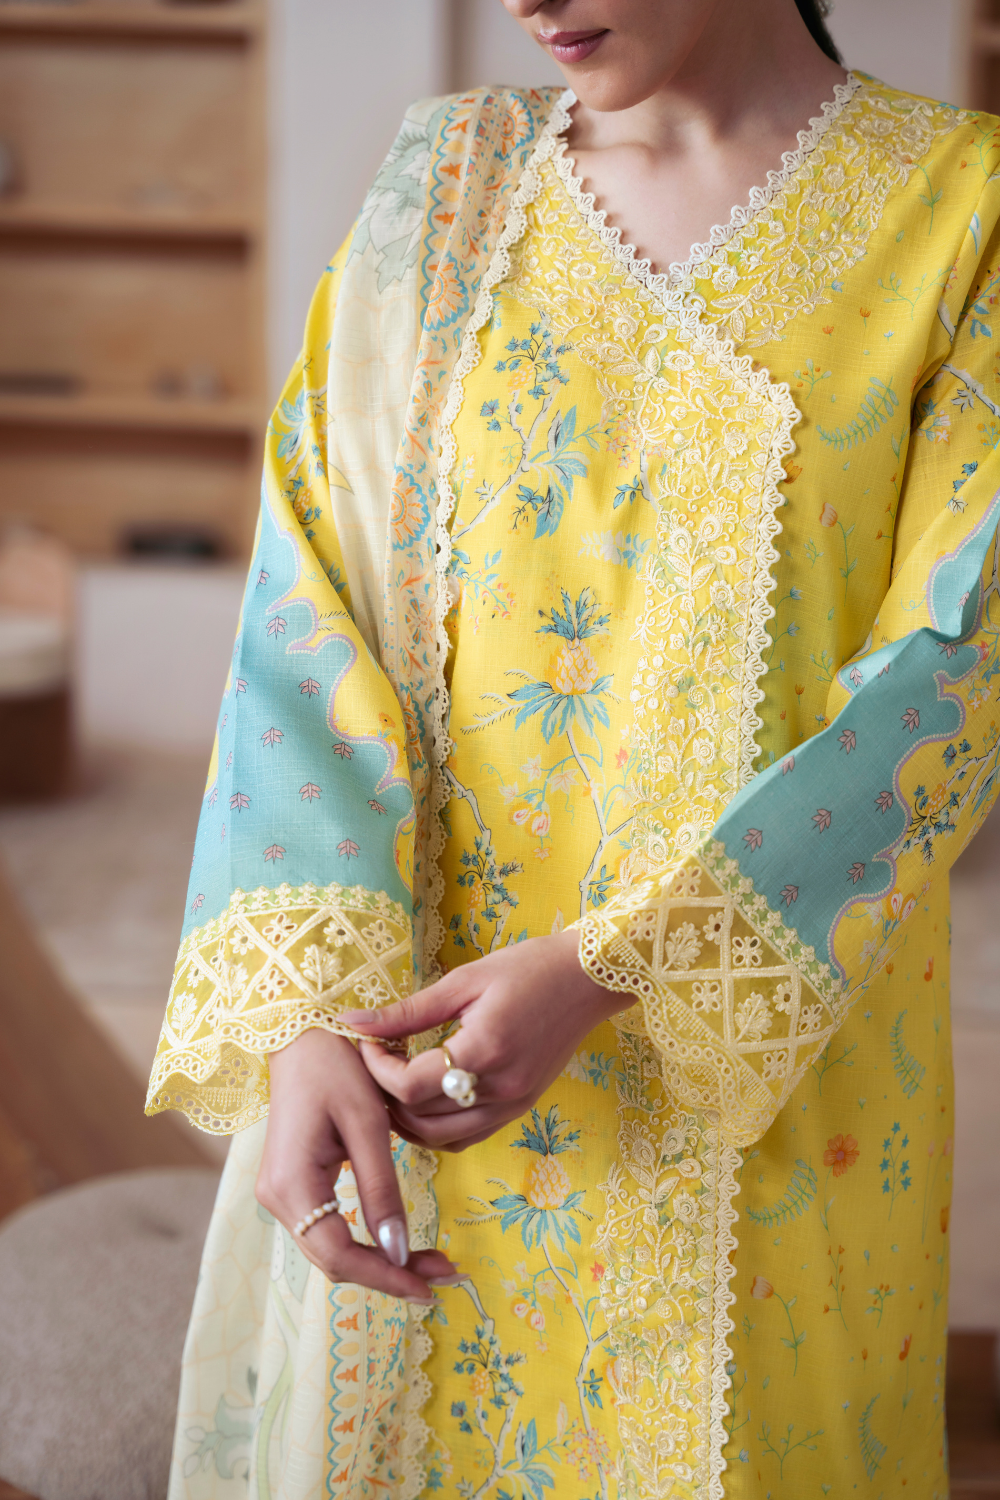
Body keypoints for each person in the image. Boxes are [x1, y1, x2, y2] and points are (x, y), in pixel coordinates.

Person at [147, 1, 1000, 1494]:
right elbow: (306, 603)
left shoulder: (961, 212)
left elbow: (951, 675)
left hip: (771, 1097)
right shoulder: (444, 191)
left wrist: (621, 967)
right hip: (404, 1083)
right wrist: (304, 1027)